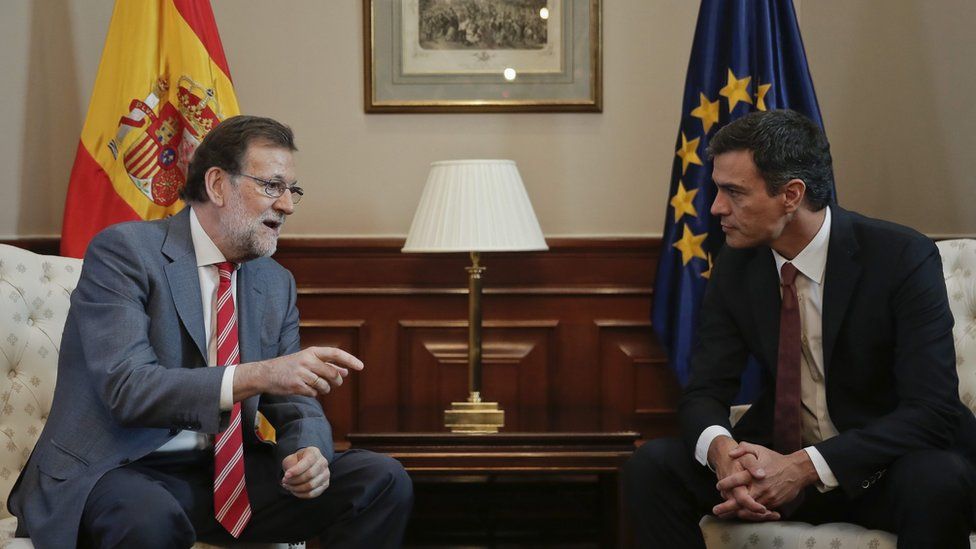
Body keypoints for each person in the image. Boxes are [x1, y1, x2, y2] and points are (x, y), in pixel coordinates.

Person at [8, 115, 413, 548]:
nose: (287, 206)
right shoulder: (125, 252)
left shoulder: (275, 282)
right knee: (150, 519)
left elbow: (295, 404)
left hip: (223, 475)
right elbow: (128, 388)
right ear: (218, 184)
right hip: (118, 467)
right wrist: (259, 374)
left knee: (381, 479)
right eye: (272, 186)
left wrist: (307, 451)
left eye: (291, 190)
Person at [624, 109, 976, 548]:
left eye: (733, 192)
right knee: (651, 466)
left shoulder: (901, 256)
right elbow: (704, 392)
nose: (715, 208)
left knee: (940, 479)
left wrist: (803, 468)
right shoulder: (736, 264)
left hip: (879, 469)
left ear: (791, 194)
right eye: (718, 190)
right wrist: (724, 457)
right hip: (773, 465)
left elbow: (933, 411)